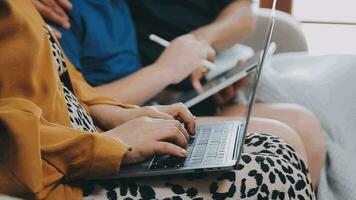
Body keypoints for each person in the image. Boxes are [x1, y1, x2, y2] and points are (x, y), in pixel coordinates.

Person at [0, 0, 320, 199]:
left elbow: (69, 86)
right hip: (73, 160)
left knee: (282, 145)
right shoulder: (61, 12)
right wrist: (111, 138)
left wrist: (118, 114)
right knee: (275, 161)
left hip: (95, 132)